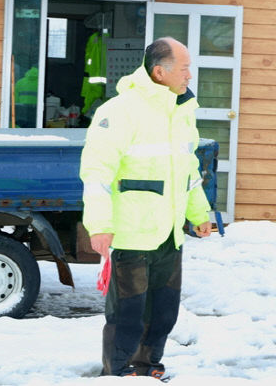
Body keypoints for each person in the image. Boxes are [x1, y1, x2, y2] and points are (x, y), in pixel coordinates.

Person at [80, 37, 212, 378]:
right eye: (184, 68)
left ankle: (148, 365)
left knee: (164, 311)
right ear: (159, 71)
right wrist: (99, 225)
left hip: (169, 235)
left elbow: (190, 170)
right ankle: (120, 371)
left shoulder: (181, 111)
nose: (189, 76)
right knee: (128, 312)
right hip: (131, 234)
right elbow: (97, 173)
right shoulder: (119, 111)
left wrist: (199, 214)